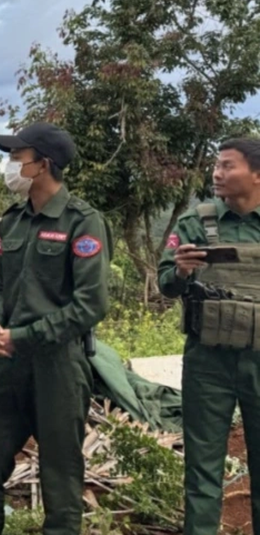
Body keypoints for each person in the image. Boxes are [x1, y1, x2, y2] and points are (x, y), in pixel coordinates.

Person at [0, 121, 111, 535]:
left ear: (43, 165)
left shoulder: (83, 222)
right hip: (4, 363)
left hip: (58, 364)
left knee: (60, 477)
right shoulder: (11, 220)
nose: (9, 165)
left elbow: (90, 304)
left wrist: (23, 337)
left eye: (17, 157)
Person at [158, 137, 260, 534]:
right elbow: (167, 285)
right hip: (208, 363)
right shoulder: (195, 222)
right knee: (202, 471)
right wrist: (181, 271)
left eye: (228, 165)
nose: (217, 173)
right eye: (216, 165)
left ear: (256, 174)